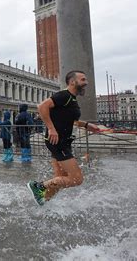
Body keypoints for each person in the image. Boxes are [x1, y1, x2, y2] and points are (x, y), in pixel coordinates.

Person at [27, 71, 100, 206]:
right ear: (73, 81)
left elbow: (70, 120)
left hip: (62, 142)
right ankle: (38, 186)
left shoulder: (71, 99)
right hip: (58, 142)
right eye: (83, 80)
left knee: (59, 178)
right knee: (76, 179)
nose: (86, 83)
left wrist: (88, 125)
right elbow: (42, 106)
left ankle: (44, 201)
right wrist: (51, 128)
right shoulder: (64, 95)